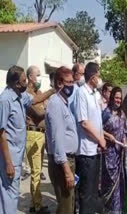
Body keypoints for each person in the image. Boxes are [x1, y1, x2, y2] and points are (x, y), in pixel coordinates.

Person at [0, 65, 55, 214]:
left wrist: (53, 90)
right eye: (24, 80)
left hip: (17, 156)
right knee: (9, 195)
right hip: (9, 158)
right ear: (16, 83)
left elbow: (36, 99)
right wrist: (8, 163)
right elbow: (1, 132)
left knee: (11, 194)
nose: (27, 83)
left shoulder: (19, 96)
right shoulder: (5, 100)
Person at [45, 66, 78, 214]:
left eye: (73, 82)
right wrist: (66, 171)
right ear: (59, 83)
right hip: (61, 163)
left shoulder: (64, 103)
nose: (71, 86)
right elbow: (57, 140)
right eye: (68, 82)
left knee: (69, 205)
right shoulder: (55, 104)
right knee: (65, 208)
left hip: (68, 160)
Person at [75, 62, 106, 214]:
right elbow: (84, 123)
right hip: (86, 151)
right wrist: (99, 139)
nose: (100, 78)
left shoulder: (96, 94)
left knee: (94, 191)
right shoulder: (81, 93)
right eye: (98, 75)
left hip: (96, 150)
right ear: (92, 77)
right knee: (86, 193)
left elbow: (98, 120)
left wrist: (102, 138)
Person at [25, 66, 49, 214]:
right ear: (30, 77)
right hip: (33, 134)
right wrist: (47, 108)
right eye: (38, 75)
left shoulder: (39, 93)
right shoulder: (27, 95)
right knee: (36, 172)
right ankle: (37, 206)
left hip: (41, 134)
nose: (40, 78)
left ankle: (34, 204)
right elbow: (39, 114)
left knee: (37, 171)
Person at [101, 87, 127, 214]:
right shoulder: (106, 113)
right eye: (116, 97)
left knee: (120, 184)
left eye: (120, 98)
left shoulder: (122, 114)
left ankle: (118, 209)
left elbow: (125, 131)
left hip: (120, 155)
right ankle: (109, 210)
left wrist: (123, 140)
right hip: (109, 155)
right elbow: (98, 129)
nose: (118, 100)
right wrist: (108, 136)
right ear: (112, 98)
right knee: (110, 183)